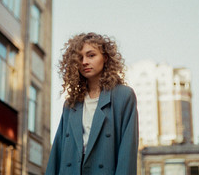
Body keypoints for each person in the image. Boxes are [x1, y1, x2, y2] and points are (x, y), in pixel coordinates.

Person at [46, 32, 138, 175]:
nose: (84, 62)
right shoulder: (71, 103)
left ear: (105, 58)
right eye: (80, 58)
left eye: (91, 55)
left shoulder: (124, 96)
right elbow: (57, 150)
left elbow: (127, 151)